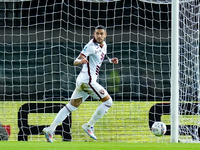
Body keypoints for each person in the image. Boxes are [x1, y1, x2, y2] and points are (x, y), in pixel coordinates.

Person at [43, 25, 118, 143]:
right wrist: (81, 61)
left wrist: (109, 61)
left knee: (71, 106)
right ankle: (89, 125)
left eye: (101, 34)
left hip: (82, 81)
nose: (99, 36)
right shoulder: (90, 46)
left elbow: (96, 61)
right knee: (108, 102)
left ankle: (50, 129)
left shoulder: (104, 46)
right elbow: (75, 61)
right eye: (97, 33)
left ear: (105, 35)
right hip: (88, 81)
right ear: (94, 34)